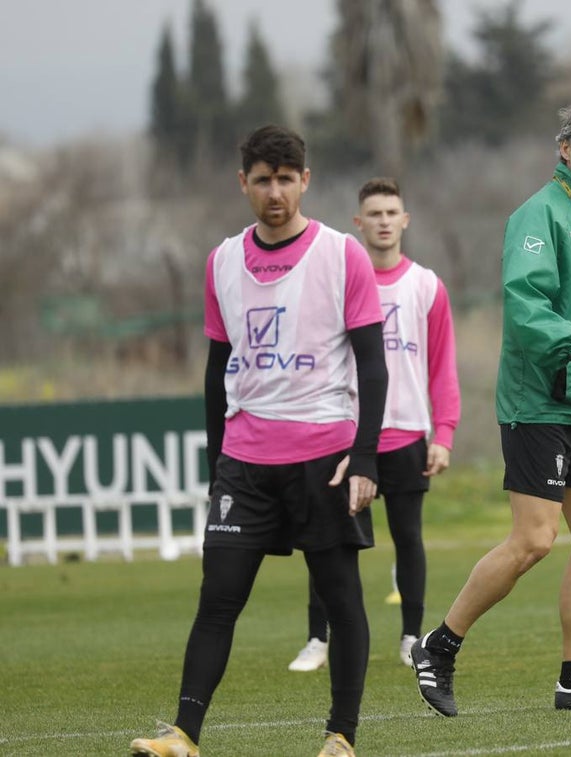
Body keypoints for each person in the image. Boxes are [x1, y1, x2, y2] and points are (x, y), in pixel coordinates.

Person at [130, 125, 388, 757]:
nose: (276, 191)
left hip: (324, 458)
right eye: (263, 179)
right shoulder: (221, 261)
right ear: (242, 182)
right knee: (217, 599)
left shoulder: (341, 253)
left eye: (287, 178)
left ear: (306, 180)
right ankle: (184, 735)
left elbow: (372, 365)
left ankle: (341, 736)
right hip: (245, 463)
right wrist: (217, 456)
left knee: (341, 597)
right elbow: (217, 370)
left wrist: (364, 456)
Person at [410, 98, 571, 717]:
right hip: (539, 401)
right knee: (534, 541)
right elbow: (525, 305)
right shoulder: (536, 214)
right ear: (564, 148)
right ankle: (438, 647)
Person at [288, 177, 460, 673]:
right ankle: (317, 639)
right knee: (329, 538)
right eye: (374, 214)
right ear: (358, 223)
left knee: (408, 538)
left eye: (392, 213)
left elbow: (441, 366)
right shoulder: (339, 282)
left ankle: (411, 636)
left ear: (404, 220)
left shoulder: (426, 286)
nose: (384, 221)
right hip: (343, 433)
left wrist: (443, 434)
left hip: (406, 432)